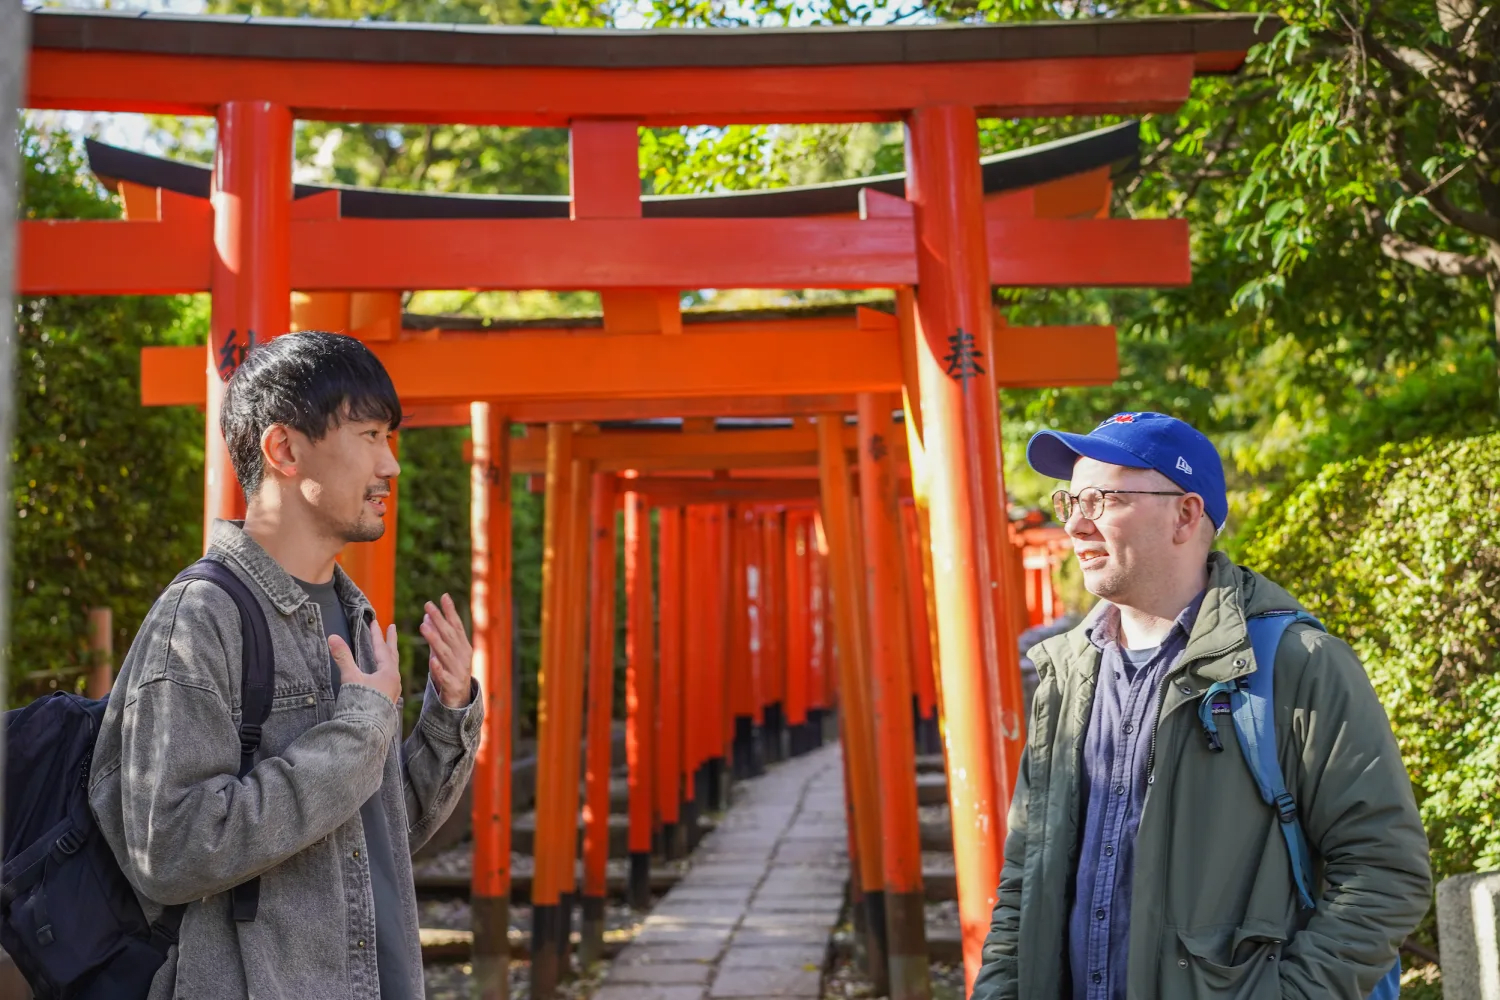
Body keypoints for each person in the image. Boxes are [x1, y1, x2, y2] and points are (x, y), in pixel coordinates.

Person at [969, 411, 1431, 1000]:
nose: (1077, 525)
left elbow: (1384, 869)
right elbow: (1025, 880)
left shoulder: (1294, 664)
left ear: (1186, 514)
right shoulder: (1068, 675)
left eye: (1100, 499)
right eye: (1069, 502)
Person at [90, 331, 484, 999]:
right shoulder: (201, 617)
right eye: (368, 435)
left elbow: (369, 836)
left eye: (390, 438)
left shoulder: (351, 614)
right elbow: (172, 847)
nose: (390, 466)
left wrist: (447, 718)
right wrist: (359, 730)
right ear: (282, 449)